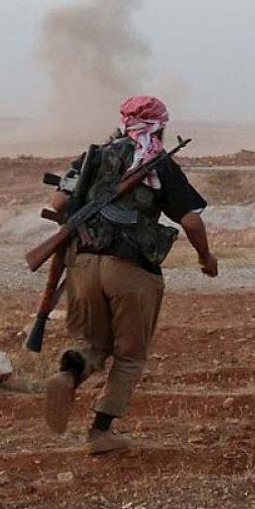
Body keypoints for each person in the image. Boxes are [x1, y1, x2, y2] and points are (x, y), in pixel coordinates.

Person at [42, 95, 218, 454]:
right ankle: (100, 433)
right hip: (132, 268)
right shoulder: (157, 163)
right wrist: (206, 257)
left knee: (92, 343)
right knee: (130, 354)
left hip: (83, 264)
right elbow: (190, 220)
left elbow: (56, 204)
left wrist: (76, 227)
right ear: (160, 127)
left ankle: (67, 376)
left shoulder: (93, 156)